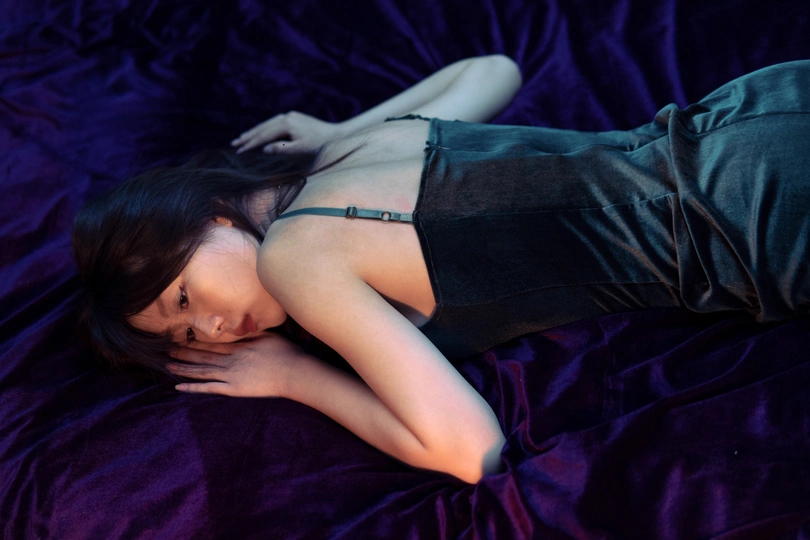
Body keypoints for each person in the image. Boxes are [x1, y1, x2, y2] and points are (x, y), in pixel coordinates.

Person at [72, 55, 810, 483]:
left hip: (750, 221)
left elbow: (470, 450)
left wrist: (298, 379)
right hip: (746, 114)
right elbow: (495, 70)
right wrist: (342, 129)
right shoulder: (351, 152)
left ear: (207, 218)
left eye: (182, 296)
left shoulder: (296, 259)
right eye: (187, 336)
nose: (213, 330)